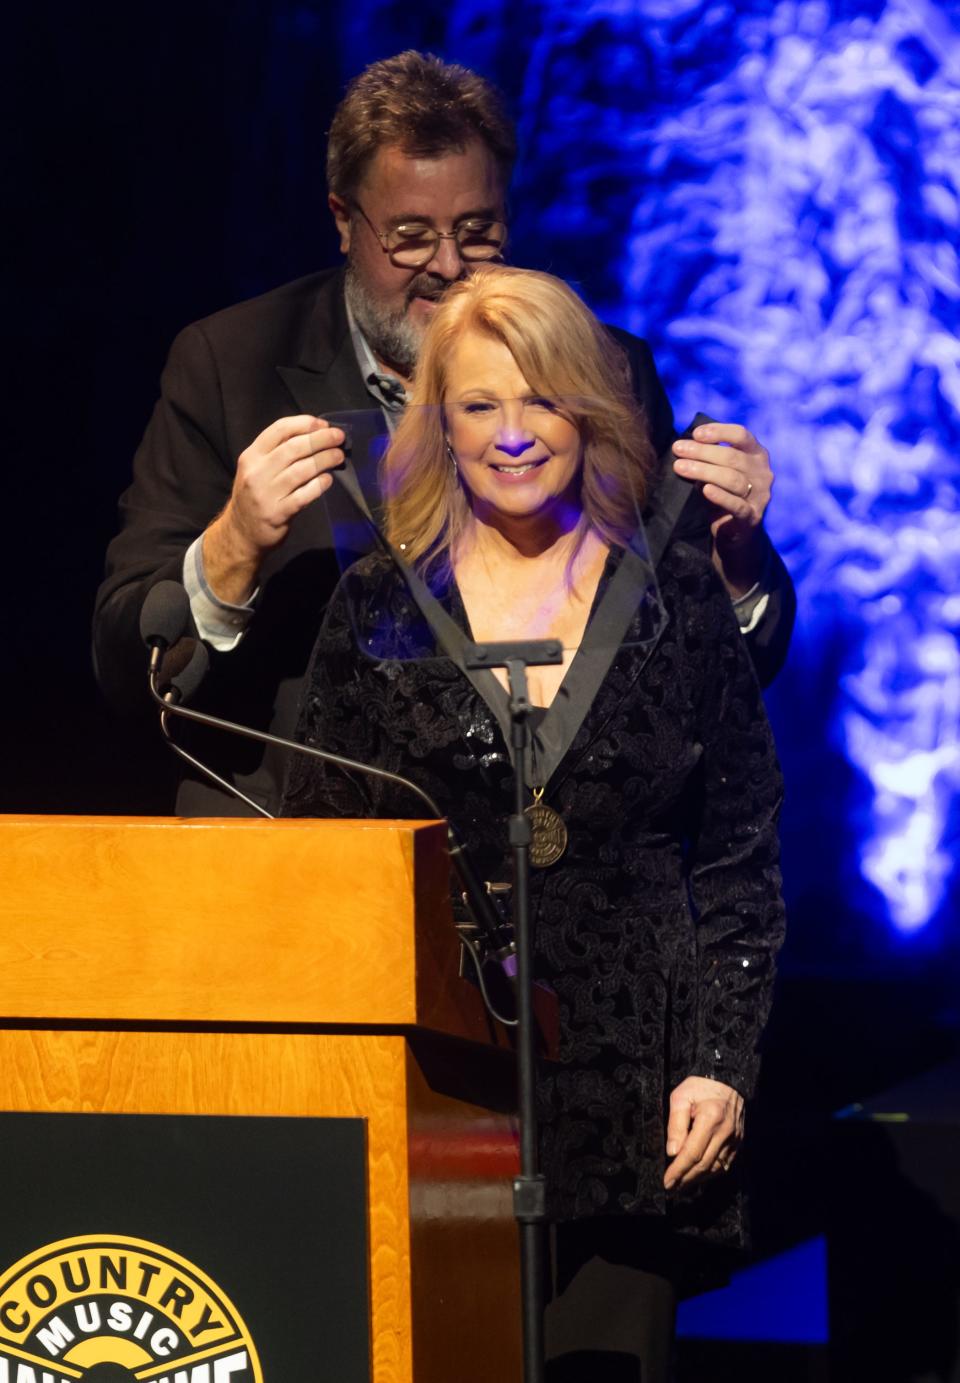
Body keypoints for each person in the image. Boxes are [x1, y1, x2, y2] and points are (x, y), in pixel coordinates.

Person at [280, 265, 786, 1381]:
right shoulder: (380, 604)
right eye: (479, 406)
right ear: (440, 425)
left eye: (543, 399)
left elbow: (743, 848)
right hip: (439, 1100)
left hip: (637, 1099)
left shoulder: (675, 596)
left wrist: (720, 1066)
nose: (515, 435)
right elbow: (323, 858)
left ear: (591, 409)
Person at [93, 50, 795, 817]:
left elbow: (711, 674)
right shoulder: (228, 367)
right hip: (299, 857)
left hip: (547, 872)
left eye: (476, 229)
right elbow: (127, 672)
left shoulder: (605, 371)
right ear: (342, 220)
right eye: (410, 236)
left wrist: (738, 565)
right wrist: (232, 549)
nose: (450, 264)